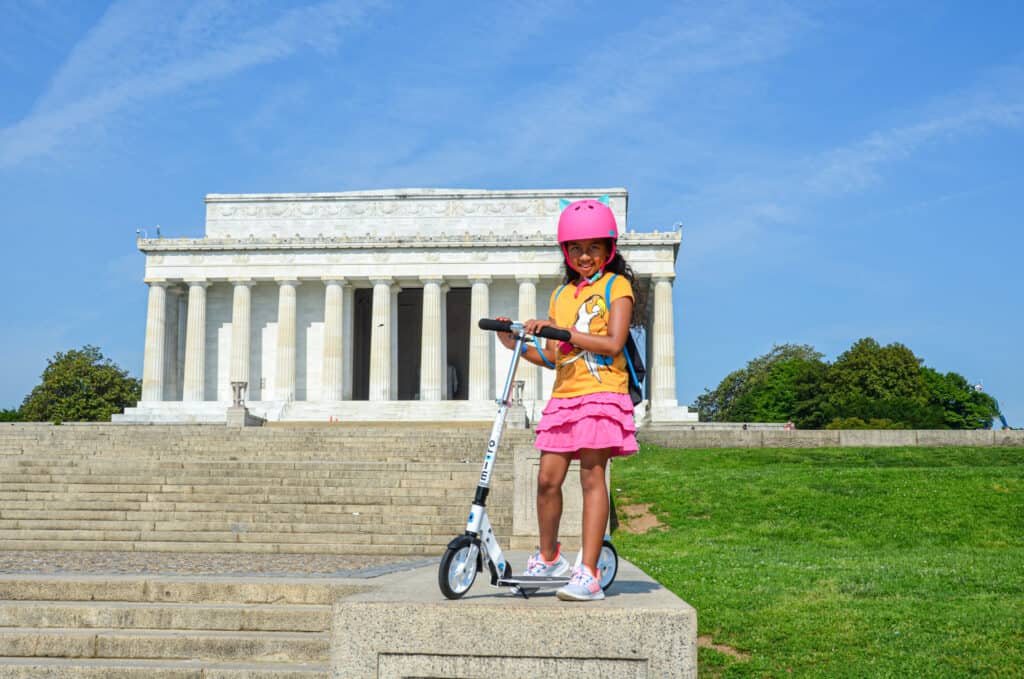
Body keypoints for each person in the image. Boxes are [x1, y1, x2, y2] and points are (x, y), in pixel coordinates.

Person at [495, 197, 638, 601]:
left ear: (608, 250)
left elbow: (613, 343)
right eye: (576, 248)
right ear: (566, 252)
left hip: (602, 394)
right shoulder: (561, 295)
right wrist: (515, 345)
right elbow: (556, 357)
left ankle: (589, 573)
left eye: (593, 247)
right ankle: (548, 556)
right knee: (547, 480)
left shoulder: (617, 286)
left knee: (592, 478)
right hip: (565, 397)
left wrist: (563, 333)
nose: (584, 256)